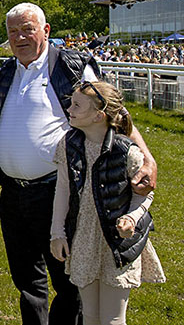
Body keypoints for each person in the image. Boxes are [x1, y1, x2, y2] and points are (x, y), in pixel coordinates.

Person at [0, 2, 157, 325]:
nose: (19, 38)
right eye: (12, 32)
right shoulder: (5, 71)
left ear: (46, 31)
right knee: (26, 281)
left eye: (27, 29)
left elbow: (116, 114)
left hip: (59, 192)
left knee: (69, 278)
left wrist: (148, 159)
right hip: (14, 195)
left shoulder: (70, 66)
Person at [50, 81, 165, 325]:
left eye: (77, 105)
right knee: (90, 316)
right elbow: (63, 189)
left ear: (98, 116)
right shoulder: (68, 145)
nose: (69, 109)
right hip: (83, 237)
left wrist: (132, 218)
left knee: (113, 318)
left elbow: (145, 194)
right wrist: (57, 232)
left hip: (116, 242)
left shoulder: (127, 152)